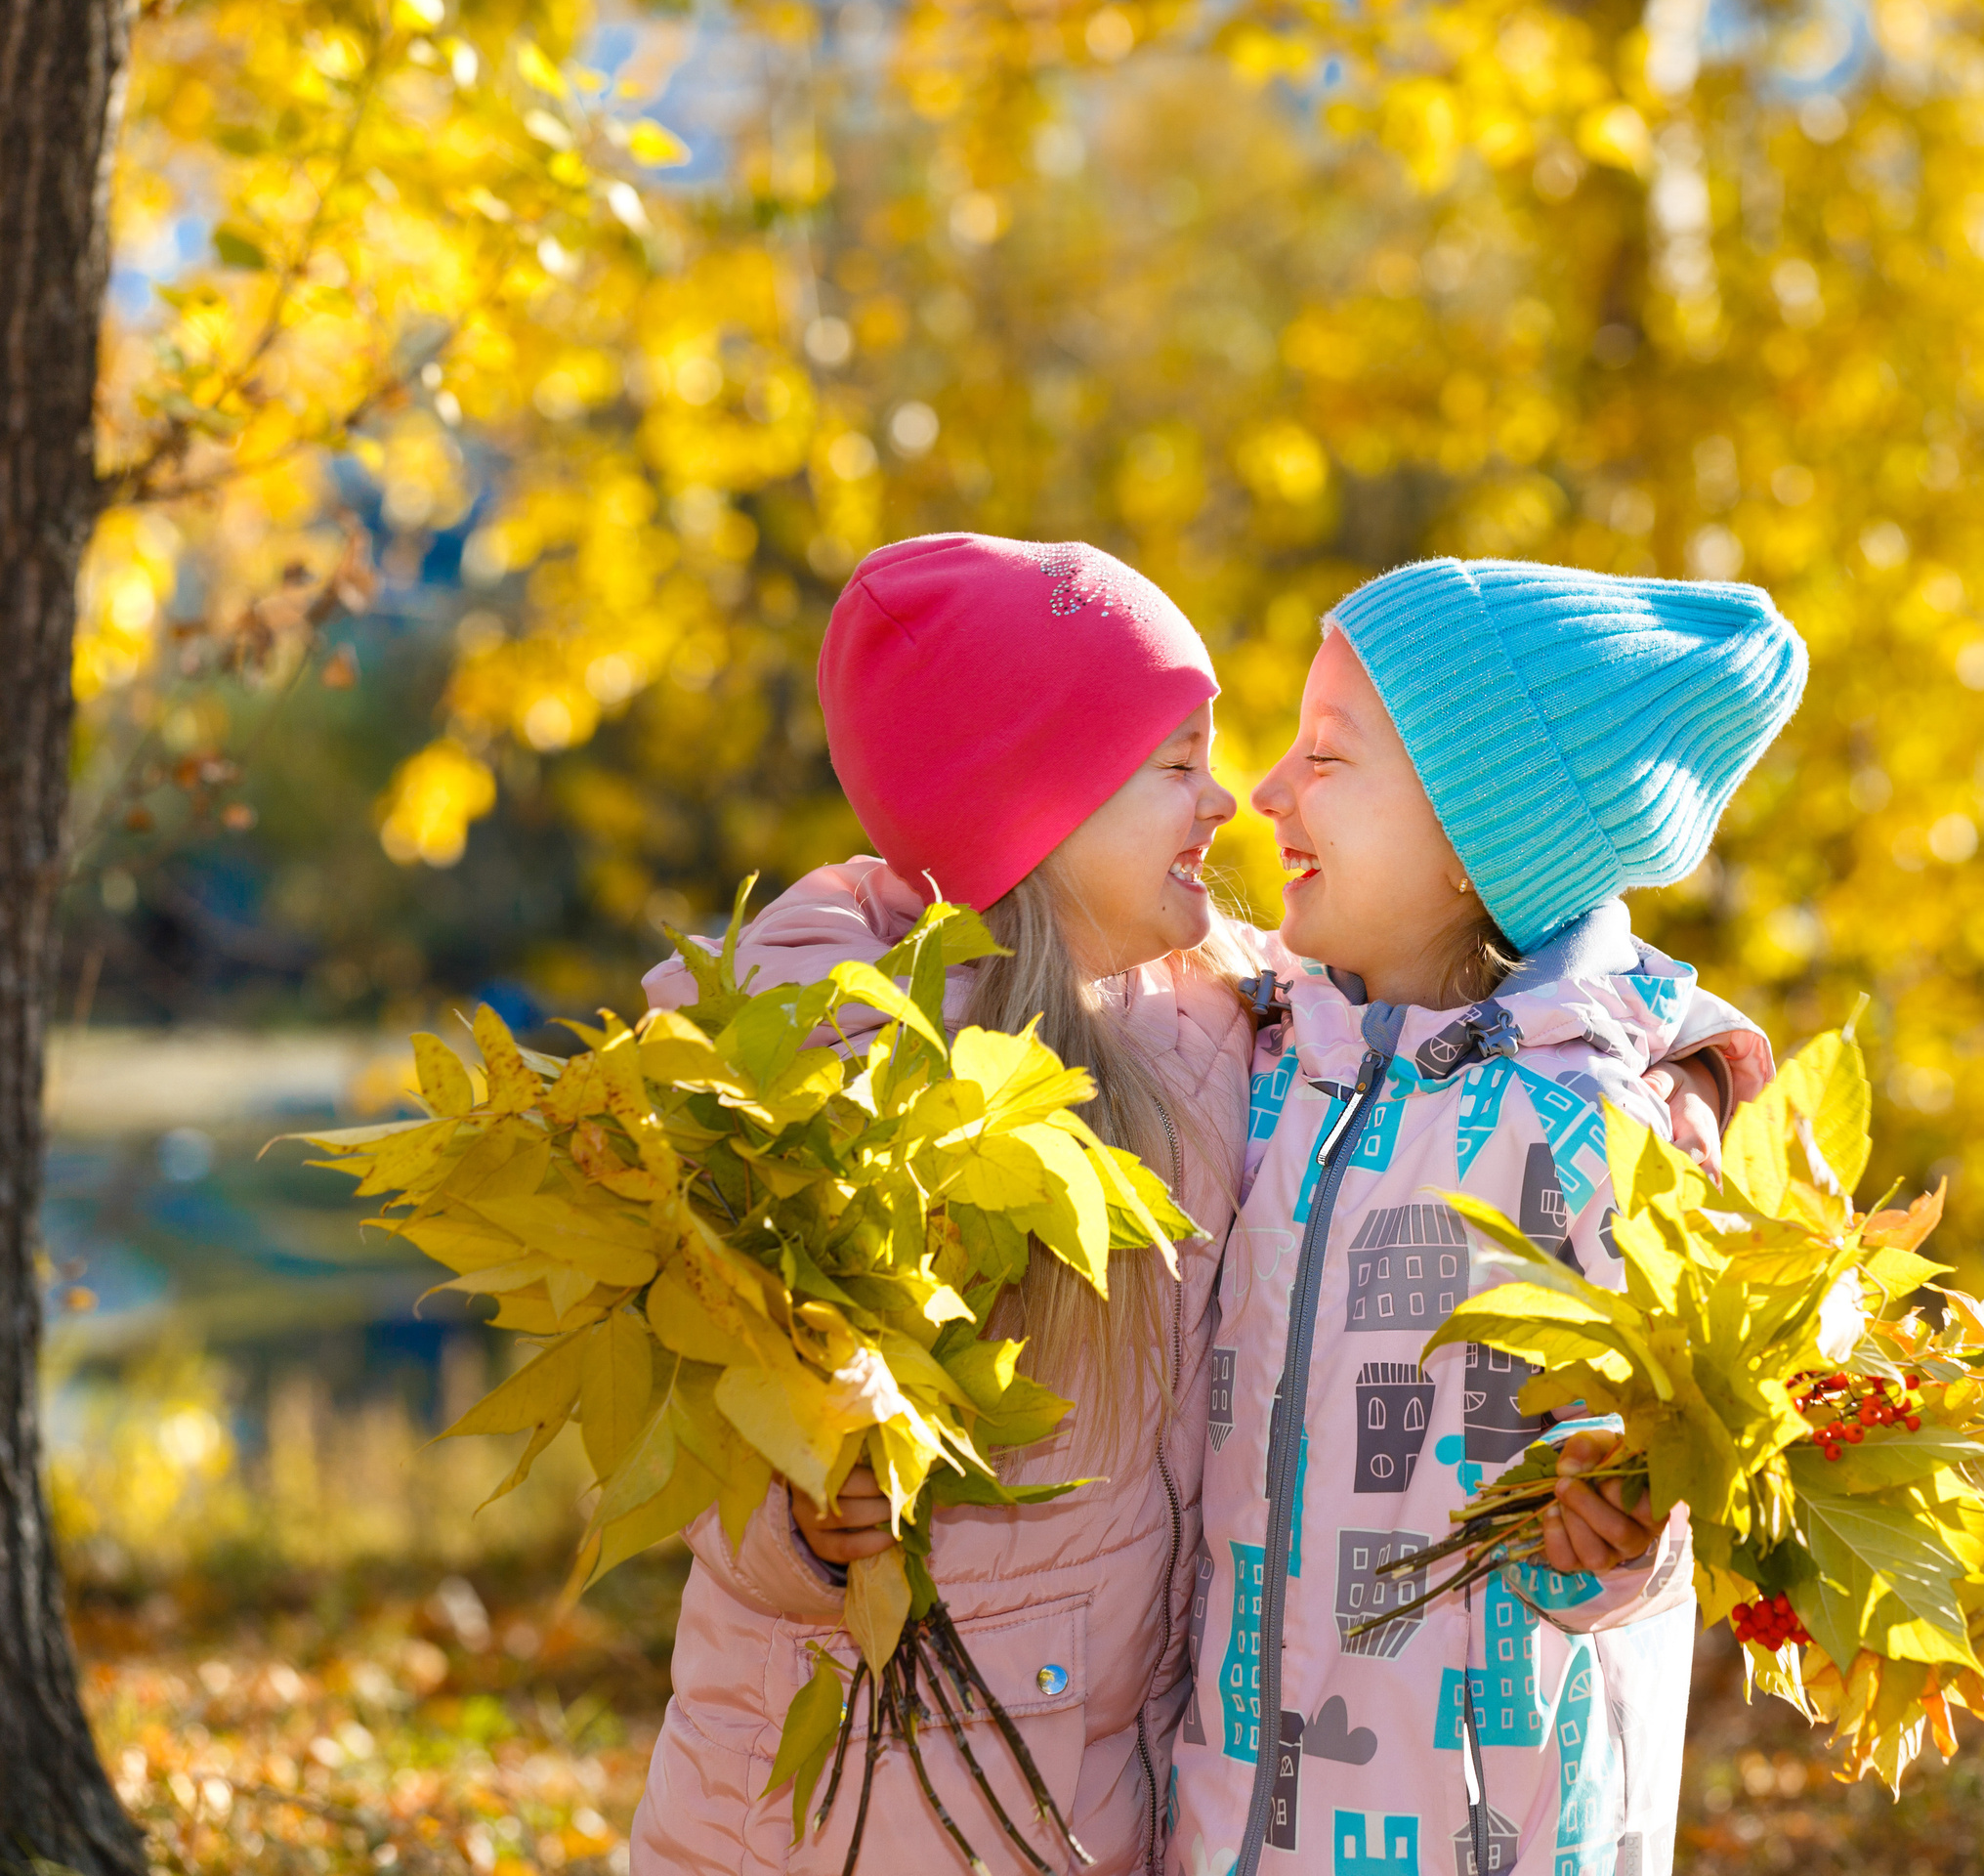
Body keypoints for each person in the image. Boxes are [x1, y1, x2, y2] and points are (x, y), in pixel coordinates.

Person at [630, 533, 1258, 1876]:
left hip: (1094, 1773)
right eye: (1176, 766)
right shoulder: (823, 1066)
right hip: (851, 1790)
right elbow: (706, 1402)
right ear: (1043, 800)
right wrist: (803, 1524)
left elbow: (1477, 998)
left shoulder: (1221, 1016)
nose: (1226, 806)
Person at [1167, 559, 1804, 1876]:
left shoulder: (1598, 1134)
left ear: (1478, 833)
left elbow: (1669, 1475)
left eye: (1328, 759)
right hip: (1230, 1816)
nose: (1268, 791)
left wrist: (1620, 1537)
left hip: (1488, 1827)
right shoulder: (1271, 1054)